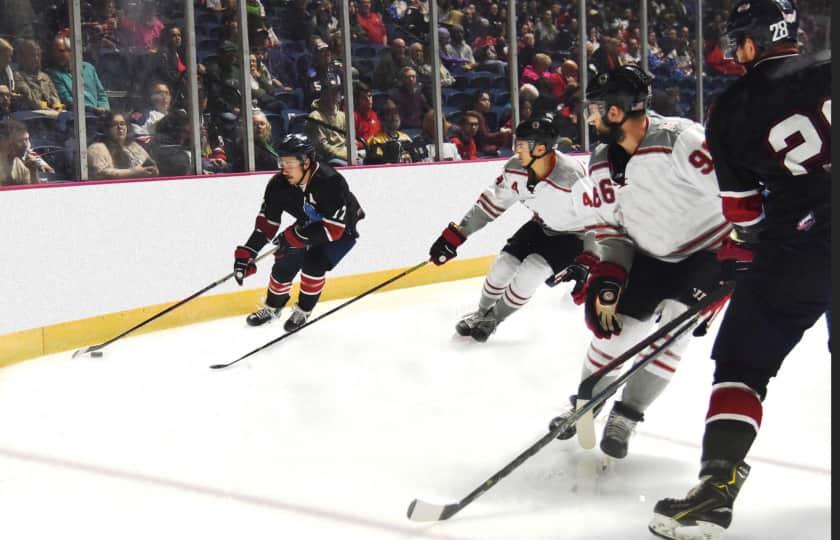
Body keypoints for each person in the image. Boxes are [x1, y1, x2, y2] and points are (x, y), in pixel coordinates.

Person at [650, 2, 831, 539]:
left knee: (742, 366)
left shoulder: (733, 109)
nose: (734, 50)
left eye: (738, 40)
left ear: (756, 40)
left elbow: (743, 214)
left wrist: (741, 254)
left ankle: (716, 488)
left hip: (798, 249)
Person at [545, 64, 731, 461]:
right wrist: (609, 275)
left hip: (708, 253)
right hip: (648, 254)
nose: (589, 117)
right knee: (614, 331)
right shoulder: (599, 162)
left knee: (675, 330)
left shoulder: (681, 139)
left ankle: (626, 415)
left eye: (594, 109)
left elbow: (733, 193)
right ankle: (586, 403)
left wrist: (742, 252)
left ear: (616, 112)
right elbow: (610, 229)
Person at [428, 112, 589, 342]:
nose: (516, 150)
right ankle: (481, 313)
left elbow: (599, 217)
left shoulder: (573, 175)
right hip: (540, 225)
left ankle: (494, 319)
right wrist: (455, 236)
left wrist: (591, 258)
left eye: (522, 145)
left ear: (540, 149)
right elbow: (489, 205)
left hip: (575, 235)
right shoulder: (515, 168)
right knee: (503, 265)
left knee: (532, 272)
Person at [232, 133, 364, 330]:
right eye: (281, 162)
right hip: (309, 224)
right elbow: (267, 224)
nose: (284, 169)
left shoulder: (330, 182)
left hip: (342, 228)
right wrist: (248, 252)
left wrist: (293, 237)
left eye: (289, 163)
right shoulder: (278, 184)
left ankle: (303, 310)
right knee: (285, 259)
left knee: (314, 263)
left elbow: (333, 230)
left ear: (306, 162)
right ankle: (272, 307)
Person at [47, 36, 109, 115]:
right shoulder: (54, 74)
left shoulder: (89, 68)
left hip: (99, 115)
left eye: (61, 51)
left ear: (72, 51)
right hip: (77, 117)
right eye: (55, 51)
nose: (57, 55)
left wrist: (104, 108)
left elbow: (101, 94)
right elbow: (67, 100)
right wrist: (92, 110)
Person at [87, 111, 158, 179]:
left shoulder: (133, 145)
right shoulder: (97, 148)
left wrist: (152, 170)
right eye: (114, 124)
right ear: (106, 128)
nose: (120, 127)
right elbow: (101, 173)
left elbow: (150, 163)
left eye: (122, 123)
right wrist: (132, 172)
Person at [304, 73, 348, 166]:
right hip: (327, 161)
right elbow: (322, 147)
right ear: (323, 94)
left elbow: (349, 140)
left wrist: (354, 152)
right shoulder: (315, 117)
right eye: (331, 92)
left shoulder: (343, 115)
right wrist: (346, 155)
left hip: (346, 155)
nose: (335, 95)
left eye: (337, 92)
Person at [13, 40, 64, 112]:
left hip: (51, 114)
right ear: (22, 57)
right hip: (30, 116)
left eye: (39, 55)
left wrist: (58, 108)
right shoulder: (18, 76)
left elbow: (54, 96)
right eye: (33, 55)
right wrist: (48, 108)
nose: (37, 58)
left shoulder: (45, 77)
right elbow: (30, 99)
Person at [364, 98, 417, 164]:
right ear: (381, 119)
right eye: (389, 113)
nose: (394, 116)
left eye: (396, 112)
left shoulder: (406, 138)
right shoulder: (375, 140)